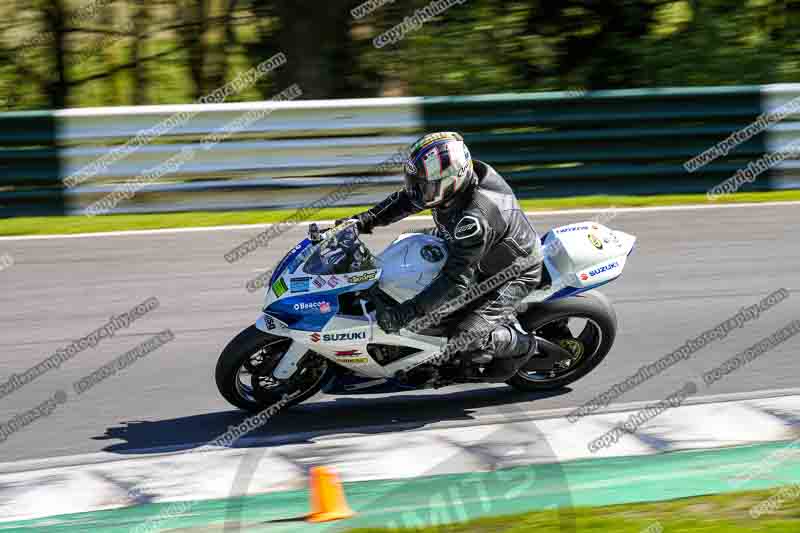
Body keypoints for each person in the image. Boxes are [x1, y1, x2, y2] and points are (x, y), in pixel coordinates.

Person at [349, 132, 543, 381]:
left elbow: (456, 281)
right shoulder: (455, 184)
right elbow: (407, 199)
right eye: (416, 183)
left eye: (425, 186)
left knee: (466, 337)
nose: (418, 192)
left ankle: (524, 345)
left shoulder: (473, 220)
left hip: (512, 273)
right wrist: (363, 220)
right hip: (470, 247)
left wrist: (408, 312)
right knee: (406, 246)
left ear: (451, 182)